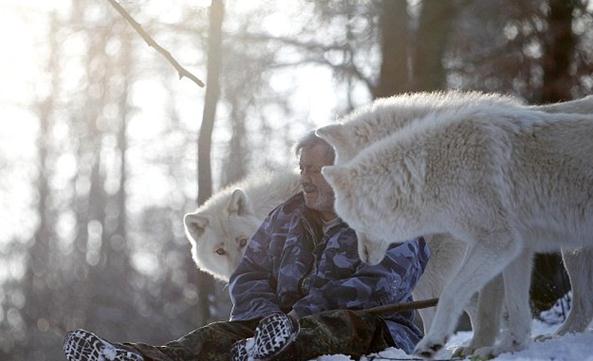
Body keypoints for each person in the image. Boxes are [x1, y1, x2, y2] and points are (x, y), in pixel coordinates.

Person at [63, 131, 430, 361]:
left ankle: (261, 350)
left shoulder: (389, 215)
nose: (305, 179)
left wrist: (294, 318)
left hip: (373, 329)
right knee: (212, 337)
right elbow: (249, 273)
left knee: (330, 329)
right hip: (277, 326)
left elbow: (379, 286)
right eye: (303, 169)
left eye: (316, 171)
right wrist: (265, 317)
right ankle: (136, 357)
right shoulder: (285, 218)